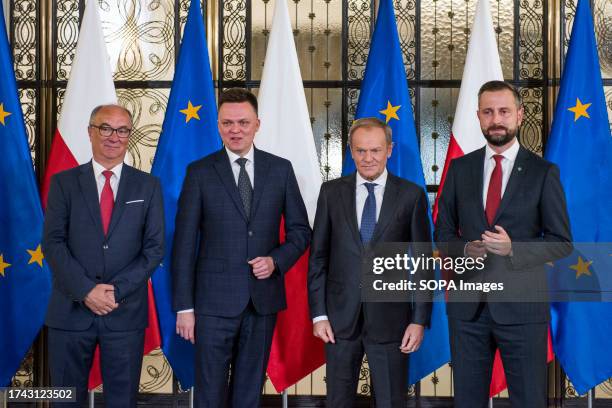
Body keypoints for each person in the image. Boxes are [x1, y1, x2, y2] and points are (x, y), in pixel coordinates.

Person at [435, 80, 572, 408]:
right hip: (468, 312)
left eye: (504, 111)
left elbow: (561, 242)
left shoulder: (543, 172)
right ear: (479, 117)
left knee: (528, 400)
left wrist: (514, 249)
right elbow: (442, 234)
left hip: (523, 311)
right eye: (488, 112)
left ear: (520, 115)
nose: (496, 119)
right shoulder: (459, 169)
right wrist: (466, 249)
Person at [172, 88, 311, 407]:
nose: (235, 129)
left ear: (257, 124)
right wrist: (184, 307)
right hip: (211, 305)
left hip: (262, 302)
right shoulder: (199, 172)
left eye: (243, 122)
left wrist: (276, 261)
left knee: (249, 394)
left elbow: (301, 231)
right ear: (218, 125)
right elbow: (183, 244)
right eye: (228, 123)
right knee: (209, 393)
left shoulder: (281, 169)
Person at [43, 104, 165, 407]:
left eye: (122, 130)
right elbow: (53, 243)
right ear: (90, 131)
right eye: (105, 128)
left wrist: (115, 291)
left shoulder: (148, 186)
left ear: (129, 135)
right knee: (65, 399)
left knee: (122, 401)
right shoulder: (64, 183)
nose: (114, 136)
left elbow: (154, 249)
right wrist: (86, 290)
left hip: (124, 312)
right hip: (71, 311)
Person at [308, 117, 432, 407]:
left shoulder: (411, 196)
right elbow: (318, 258)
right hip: (338, 321)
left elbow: (423, 262)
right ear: (351, 151)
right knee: (338, 401)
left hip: (392, 321)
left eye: (375, 150)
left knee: (390, 400)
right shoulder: (331, 193)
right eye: (360, 151)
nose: (367, 158)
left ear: (389, 150)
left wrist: (419, 320)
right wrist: (319, 315)